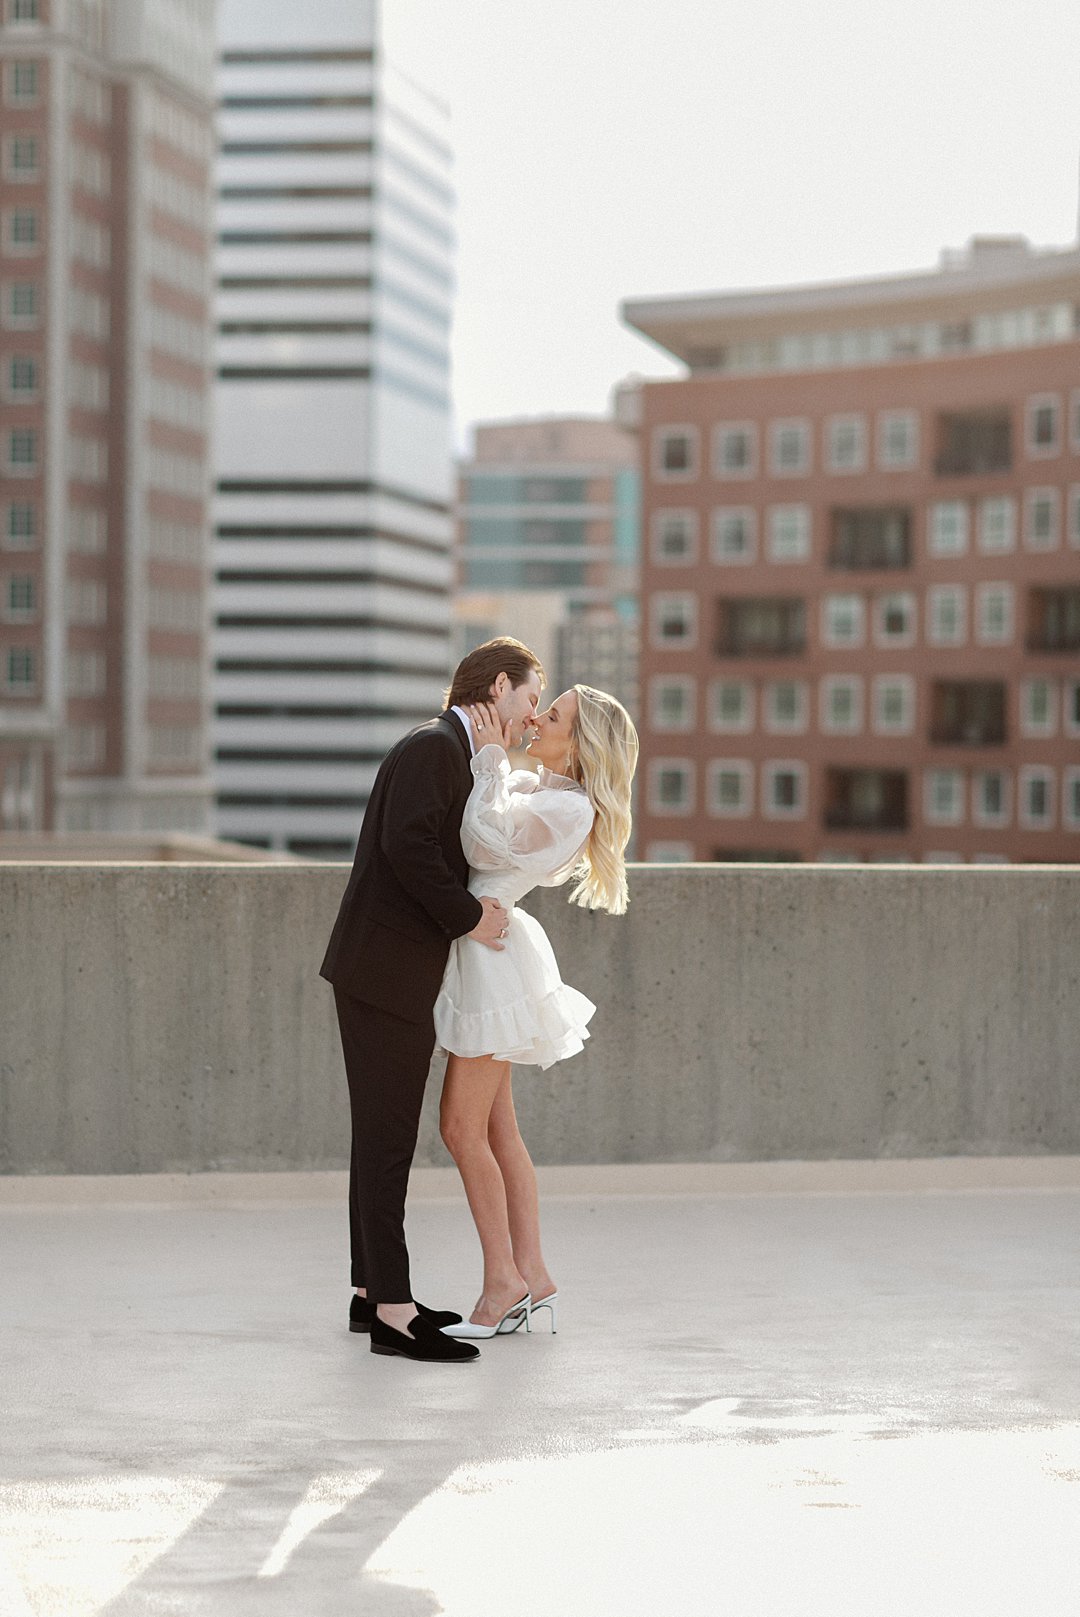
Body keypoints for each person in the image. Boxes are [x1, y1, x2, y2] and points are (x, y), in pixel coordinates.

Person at [319, 638, 544, 1364]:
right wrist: (471, 917)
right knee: (387, 1145)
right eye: (530, 696)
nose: (532, 712)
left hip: (389, 972)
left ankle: (368, 1293)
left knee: (378, 1139)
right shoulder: (432, 747)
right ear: (499, 685)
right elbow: (408, 846)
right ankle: (392, 1308)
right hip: (383, 973)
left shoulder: (454, 751)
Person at [433, 684, 639, 1339]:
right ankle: (533, 1273)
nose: (537, 718)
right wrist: (499, 768)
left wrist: (490, 760)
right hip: (487, 951)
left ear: (577, 743)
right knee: (497, 1132)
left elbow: (481, 842)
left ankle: (503, 1282)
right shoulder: (544, 791)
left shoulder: (565, 807)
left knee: (461, 1128)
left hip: (490, 962)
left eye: (553, 716)